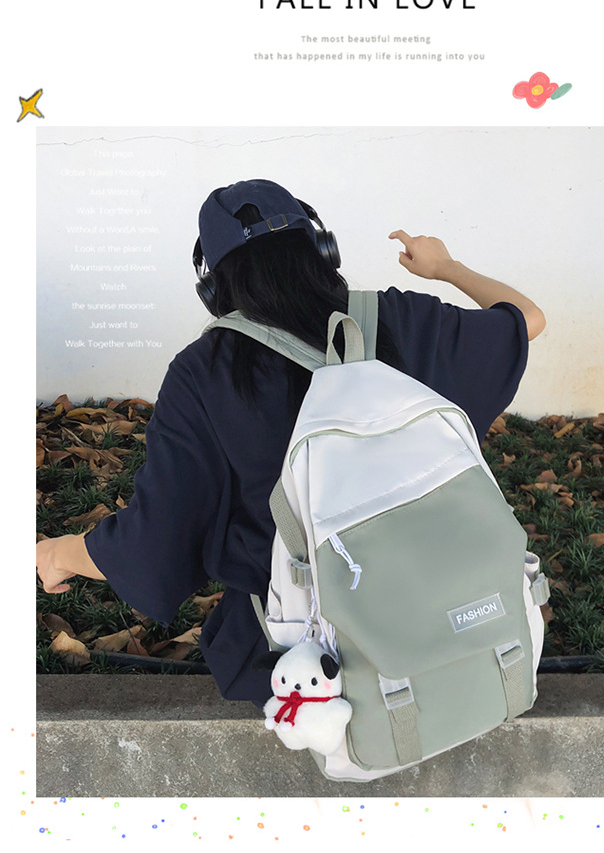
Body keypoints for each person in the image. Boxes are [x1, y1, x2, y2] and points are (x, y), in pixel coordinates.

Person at [36, 179, 545, 706]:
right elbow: (528, 319)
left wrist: (60, 553)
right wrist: (447, 268)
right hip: (449, 616)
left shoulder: (205, 374)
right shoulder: (401, 320)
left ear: (213, 287)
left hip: (305, 662)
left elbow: (156, 544)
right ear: (322, 249)